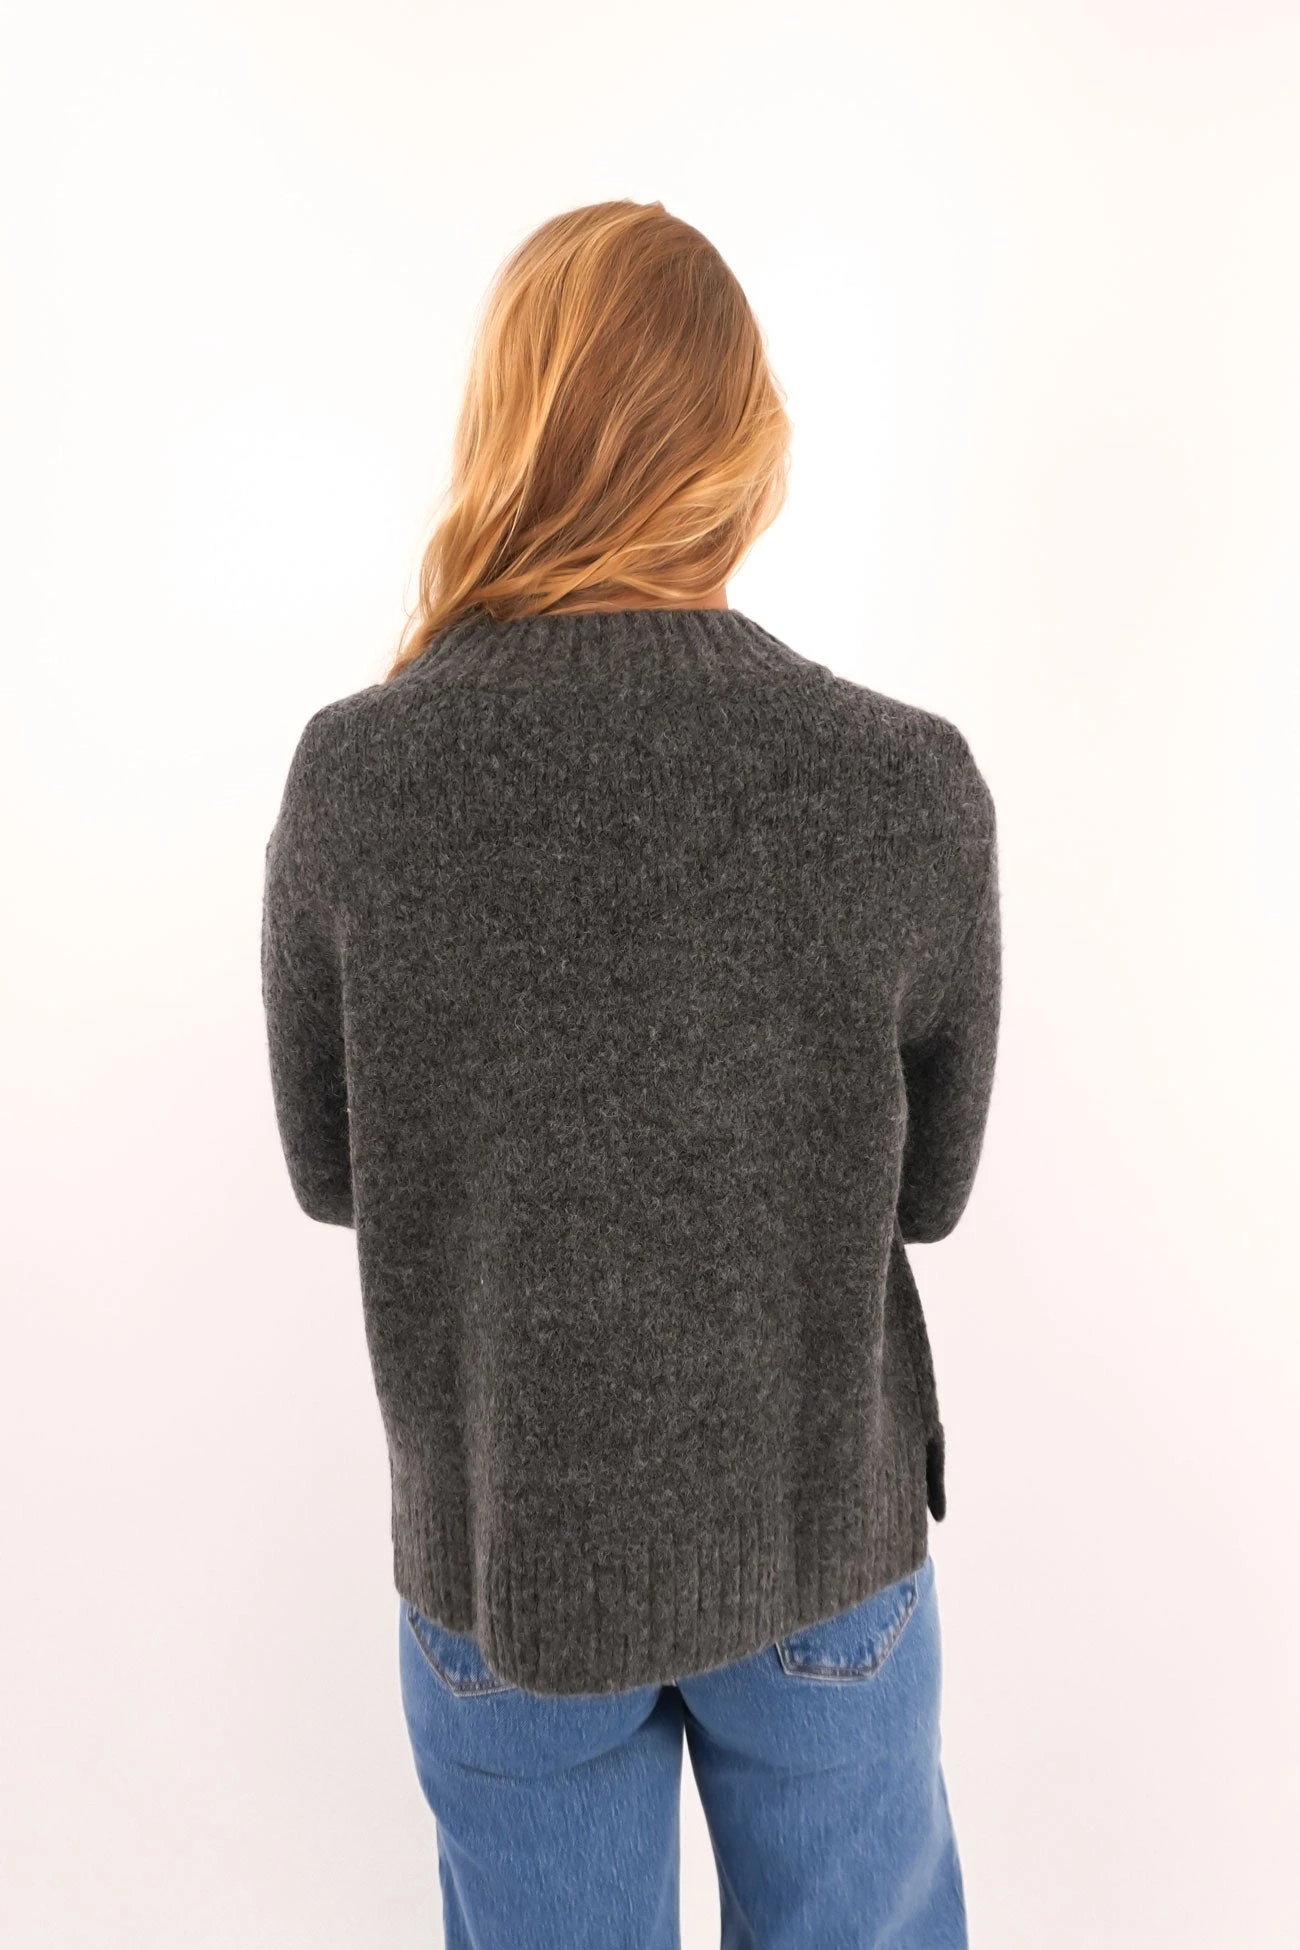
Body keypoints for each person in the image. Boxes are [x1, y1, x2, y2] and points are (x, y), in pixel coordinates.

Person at [261, 197, 1000, 1949]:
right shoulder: (902, 781)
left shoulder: (359, 780)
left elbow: (333, 1165)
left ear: (509, 426)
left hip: (508, 1549)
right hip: (818, 1543)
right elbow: (932, 1190)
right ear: (742, 446)